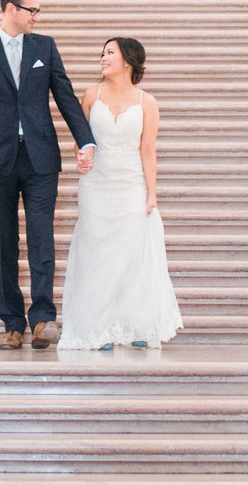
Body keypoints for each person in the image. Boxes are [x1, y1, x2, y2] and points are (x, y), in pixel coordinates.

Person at [0, 0, 94, 349]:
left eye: (37, 11)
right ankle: (12, 323)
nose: (36, 16)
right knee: (3, 242)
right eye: (31, 10)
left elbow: (65, 96)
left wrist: (86, 140)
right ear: (11, 9)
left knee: (41, 238)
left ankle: (42, 319)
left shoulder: (44, 47)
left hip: (41, 159)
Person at [57, 36, 184, 351]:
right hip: (96, 185)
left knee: (130, 257)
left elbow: (148, 151)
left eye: (110, 53)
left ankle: (135, 324)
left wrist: (151, 194)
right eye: (102, 53)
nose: (103, 57)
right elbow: (81, 138)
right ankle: (96, 327)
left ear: (128, 60)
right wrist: (81, 154)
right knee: (95, 254)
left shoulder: (147, 102)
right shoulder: (91, 95)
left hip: (130, 185)